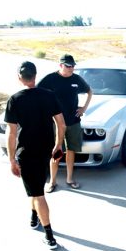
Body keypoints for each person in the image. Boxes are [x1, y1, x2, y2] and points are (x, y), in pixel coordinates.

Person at [5, 61, 66, 249]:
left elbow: (12, 133)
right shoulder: (49, 96)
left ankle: (49, 236)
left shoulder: (15, 99)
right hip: (45, 150)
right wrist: (57, 145)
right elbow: (61, 124)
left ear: (19, 78)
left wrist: (11, 160)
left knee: (38, 194)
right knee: (36, 186)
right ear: (35, 76)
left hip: (27, 152)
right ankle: (34, 217)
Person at [38, 54, 92, 192]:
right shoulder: (51, 78)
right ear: (60, 65)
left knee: (71, 150)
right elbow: (37, 93)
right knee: (56, 152)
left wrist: (83, 108)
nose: (71, 68)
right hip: (56, 123)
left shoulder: (76, 79)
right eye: (68, 66)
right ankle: (52, 182)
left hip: (73, 121)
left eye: (73, 65)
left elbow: (89, 91)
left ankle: (69, 179)